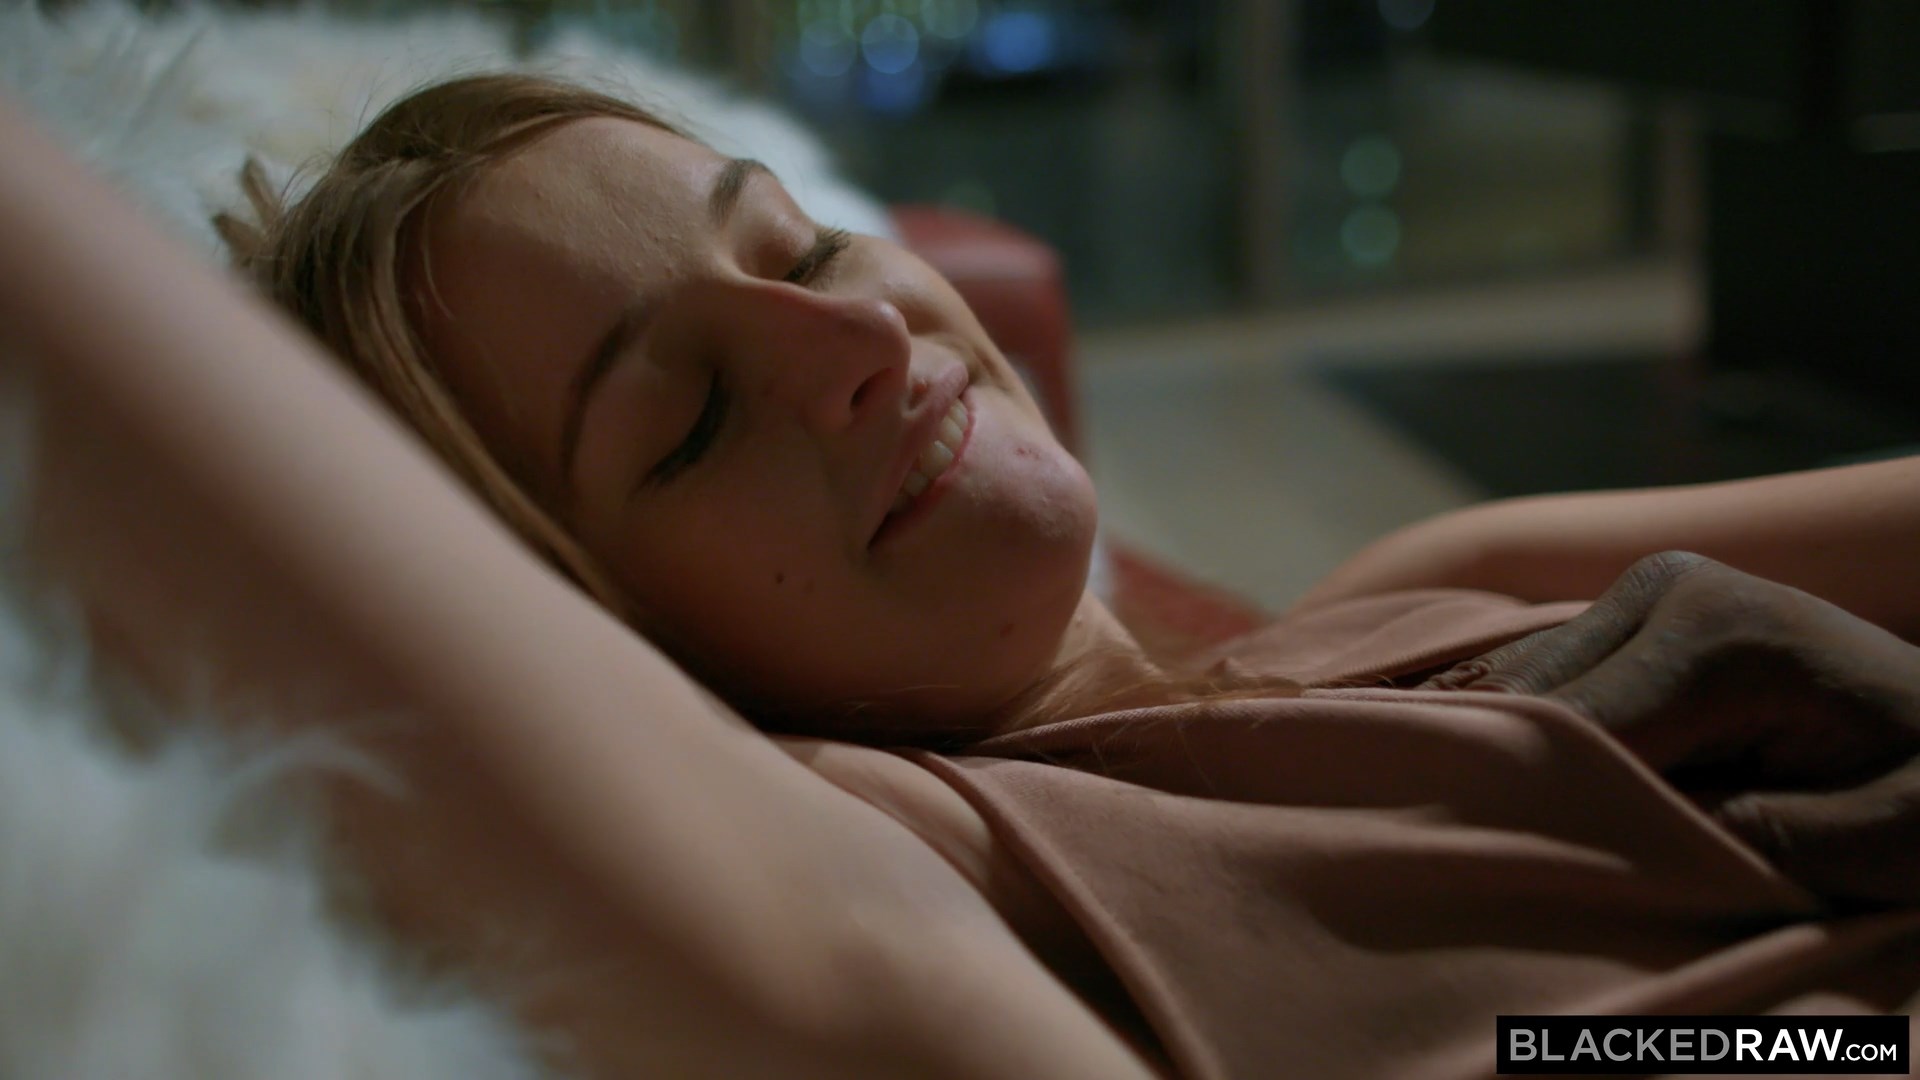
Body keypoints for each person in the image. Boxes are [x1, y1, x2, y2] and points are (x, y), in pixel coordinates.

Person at [5, 74, 1918, 1078]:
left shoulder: (1448, 574)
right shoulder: (912, 879)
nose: (853, 340)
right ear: (607, 642)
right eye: (688, 420)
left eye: (805, 250)